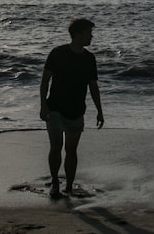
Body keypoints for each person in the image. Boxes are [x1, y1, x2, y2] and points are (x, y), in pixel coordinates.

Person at [39, 18, 104, 198]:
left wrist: (100, 110)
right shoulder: (58, 53)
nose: (91, 37)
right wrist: (43, 105)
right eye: (89, 33)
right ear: (78, 34)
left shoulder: (89, 58)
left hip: (77, 110)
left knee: (71, 150)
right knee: (56, 146)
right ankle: (54, 182)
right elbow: (45, 80)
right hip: (55, 108)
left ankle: (68, 185)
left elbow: (93, 86)